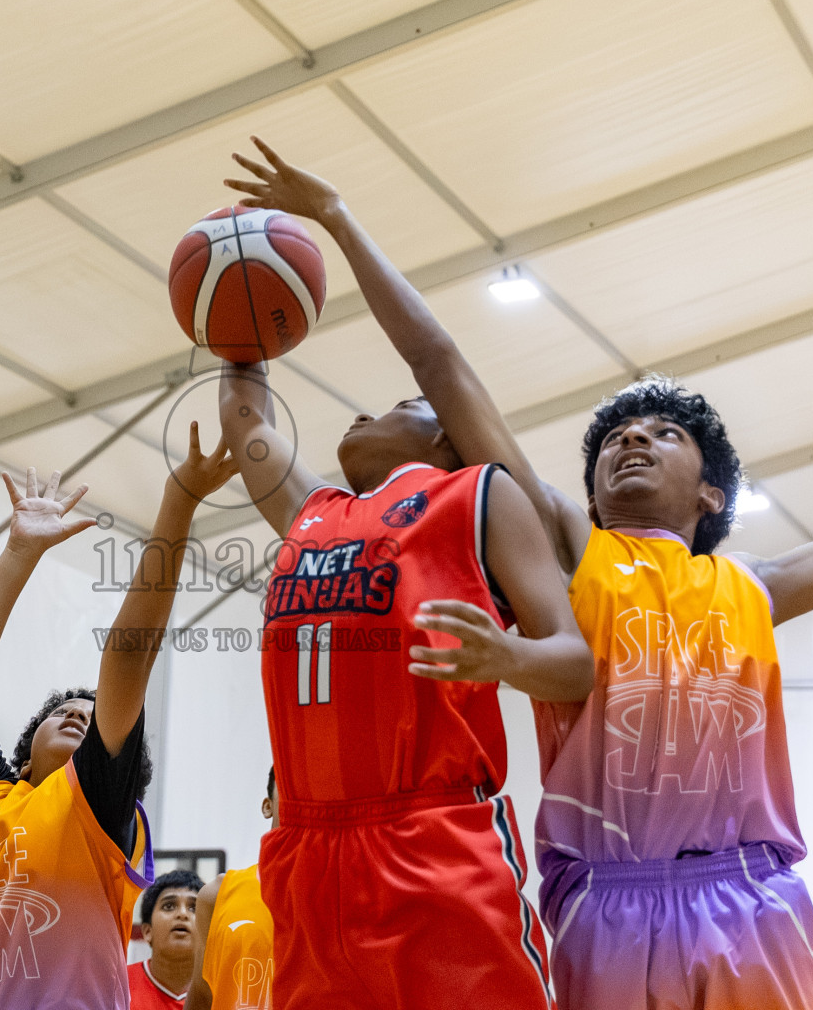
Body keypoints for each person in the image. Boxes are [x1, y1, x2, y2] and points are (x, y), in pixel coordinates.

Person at [229, 139, 813, 1009]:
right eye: (614, 438)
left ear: (713, 491)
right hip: (605, 898)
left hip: (751, 896)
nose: (632, 439)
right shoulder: (568, 547)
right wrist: (339, 219)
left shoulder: (753, 586)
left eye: (662, 435)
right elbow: (442, 366)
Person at [217, 144, 592, 1010]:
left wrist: (335, 220)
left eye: (400, 408)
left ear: (444, 437)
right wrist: (235, 305)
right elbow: (246, 423)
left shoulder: (479, 496)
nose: (363, 412)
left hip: (434, 842)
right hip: (307, 851)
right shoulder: (310, 513)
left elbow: (574, 660)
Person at [0, 428, 237, 1010]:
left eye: (93, 716)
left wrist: (179, 501)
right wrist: (20, 550)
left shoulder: (94, 801)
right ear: (24, 752)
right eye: (63, 711)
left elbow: (126, 656)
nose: (79, 715)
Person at [183, 768, 277, 1010]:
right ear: (267, 806)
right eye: (291, 788)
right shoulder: (217, 894)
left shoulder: (352, 897)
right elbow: (202, 999)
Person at [129, 870, 203, 1009]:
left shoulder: (223, 992)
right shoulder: (118, 985)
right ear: (147, 931)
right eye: (169, 906)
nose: (182, 914)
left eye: (193, 908)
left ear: (207, 932)